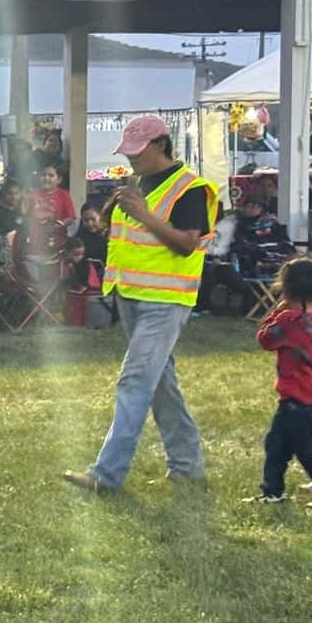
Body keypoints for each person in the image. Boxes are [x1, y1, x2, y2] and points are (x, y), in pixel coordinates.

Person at [63, 114, 216, 493]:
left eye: (137, 151)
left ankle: (106, 475)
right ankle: (188, 465)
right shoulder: (139, 184)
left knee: (134, 382)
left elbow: (186, 244)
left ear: (161, 145)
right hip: (131, 296)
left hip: (165, 300)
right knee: (160, 383)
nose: (131, 159)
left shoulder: (191, 189)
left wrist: (143, 214)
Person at [248, 256, 312, 510]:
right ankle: (272, 491)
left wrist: (277, 311)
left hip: (296, 399)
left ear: (285, 287)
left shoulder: (287, 320)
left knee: (308, 451)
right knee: (276, 444)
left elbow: (264, 340)